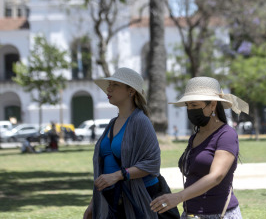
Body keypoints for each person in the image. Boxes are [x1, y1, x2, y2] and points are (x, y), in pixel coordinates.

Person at [151, 77, 249, 219]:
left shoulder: (227, 134)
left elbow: (216, 176)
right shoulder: (196, 136)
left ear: (212, 105)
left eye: (195, 105)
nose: (190, 110)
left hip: (219, 214)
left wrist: (178, 197)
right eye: (188, 106)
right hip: (191, 213)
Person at [83, 67, 161, 219]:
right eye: (109, 84)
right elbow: (105, 167)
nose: (109, 88)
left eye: (115, 85)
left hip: (135, 199)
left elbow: (152, 163)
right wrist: (93, 203)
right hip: (111, 199)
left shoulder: (141, 121)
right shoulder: (112, 123)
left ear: (131, 91)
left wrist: (118, 176)